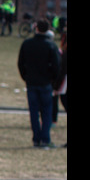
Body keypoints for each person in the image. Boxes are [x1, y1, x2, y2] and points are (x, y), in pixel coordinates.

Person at [17, 20, 61, 148]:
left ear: (36, 28)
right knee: (47, 112)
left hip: (31, 82)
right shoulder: (51, 45)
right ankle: (45, 139)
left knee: (34, 112)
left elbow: (21, 63)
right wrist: (52, 79)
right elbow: (56, 66)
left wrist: (25, 77)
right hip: (46, 83)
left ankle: (36, 138)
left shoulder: (27, 44)